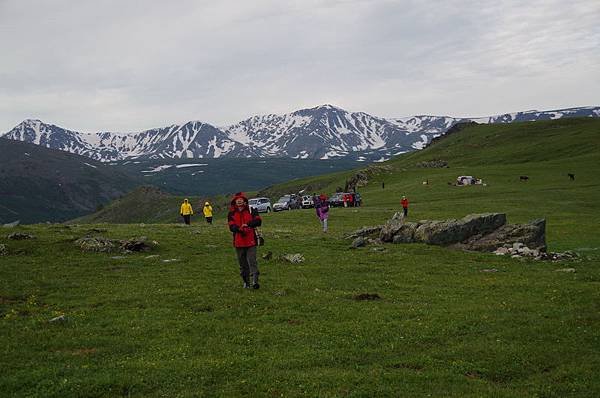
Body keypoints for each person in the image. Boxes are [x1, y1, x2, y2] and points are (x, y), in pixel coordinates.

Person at [227, 192, 262, 289]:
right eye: (237, 200)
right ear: (234, 202)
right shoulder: (231, 213)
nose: (239, 201)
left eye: (241, 199)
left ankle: (255, 281)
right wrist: (240, 229)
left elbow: (258, 221)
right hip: (239, 242)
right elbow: (231, 226)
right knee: (242, 264)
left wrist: (248, 225)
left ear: (245, 201)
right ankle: (246, 282)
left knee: (252, 261)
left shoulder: (252, 210)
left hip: (251, 241)